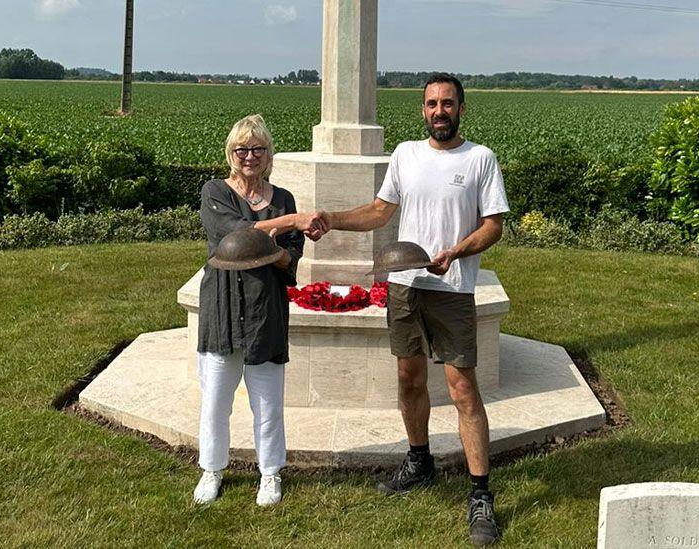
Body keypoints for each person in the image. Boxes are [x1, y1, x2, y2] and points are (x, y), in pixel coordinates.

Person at [312, 73, 509, 546]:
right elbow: (380, 212)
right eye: (431, 104)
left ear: (462, 108)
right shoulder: (405, 154)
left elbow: (494, 225)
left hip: (452, 287)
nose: (439, 111)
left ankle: (480, 494)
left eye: (447, 103)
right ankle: (419, 460)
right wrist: (331, 220)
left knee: (462, 388)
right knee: (409, 378)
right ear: (423, 110)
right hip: (405, 286)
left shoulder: (479, 159)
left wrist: (456, 252)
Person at [193, 114, 325, 506]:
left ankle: (270, 473)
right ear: (230, 153)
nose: (249, 156)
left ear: (268, 154)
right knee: (216, 397)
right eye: (241, 149)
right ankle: (212, 469)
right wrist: (292, 224)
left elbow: (291, 257)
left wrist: (277, 247)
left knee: (267, 399)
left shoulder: (281, 197)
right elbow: (234, 236)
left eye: (258, 149)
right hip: (222, 304)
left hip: (265, 308)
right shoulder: (214, 191)